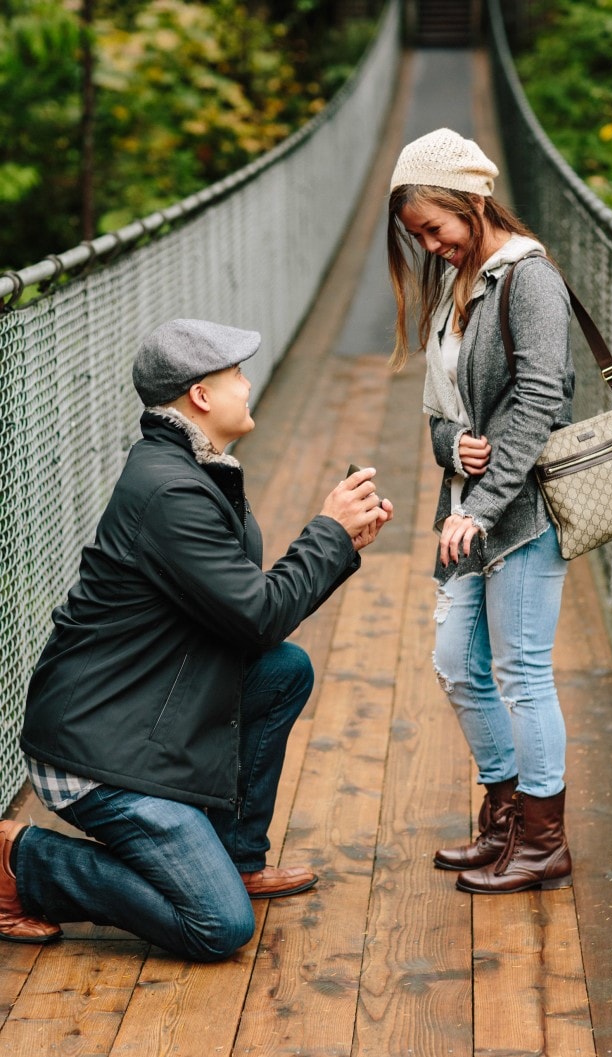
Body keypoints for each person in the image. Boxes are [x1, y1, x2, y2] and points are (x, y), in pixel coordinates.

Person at [0, 318, 393, 958]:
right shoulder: (172, 490)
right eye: (235, 374)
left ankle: (235, 858)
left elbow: (249, 620)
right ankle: (25, 862)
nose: (247, 384)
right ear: (200, 396)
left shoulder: (193, 468)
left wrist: (339, 541)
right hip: (93, 749)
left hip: (139, 705)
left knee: (283, 670)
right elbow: (259, 613)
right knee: (218, 926)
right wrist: (328, 531)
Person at [387, 128, 574, 894]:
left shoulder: (529, 279)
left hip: (520, 513)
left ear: (471, 200)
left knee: (521, 670)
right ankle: (503, 817)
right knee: (458, 662)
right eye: (418, 238)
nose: (430, 247)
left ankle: (542, 840)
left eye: (436, 228)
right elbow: (441, 412)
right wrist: (451, 445)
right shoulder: (456, 285)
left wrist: (485, 500)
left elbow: (542, 399)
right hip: (467, 505)